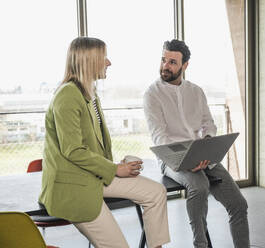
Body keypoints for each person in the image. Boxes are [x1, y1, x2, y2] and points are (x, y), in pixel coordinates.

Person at [39, 37, 170, 248]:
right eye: (104, 58)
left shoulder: (89, 93)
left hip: (94, 176)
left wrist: (115, 165)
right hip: (74, 187)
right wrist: (115, 169)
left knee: (156, 192)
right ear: (89, 60)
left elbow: (93, 143)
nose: (109, 63)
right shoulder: (67, 96)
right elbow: (73, 150)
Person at [143, 39, 250, 248]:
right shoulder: (152, 94)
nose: (166, 65)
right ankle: (200, 244)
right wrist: (187, 160)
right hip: (171, 158)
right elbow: (160, 138)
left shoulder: (196, 91)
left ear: (185, 66)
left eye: (173, 62)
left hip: (202, 154)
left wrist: (208, 144)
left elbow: (208, 124)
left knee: (239, 204)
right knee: (199, 186)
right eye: (164, 59)